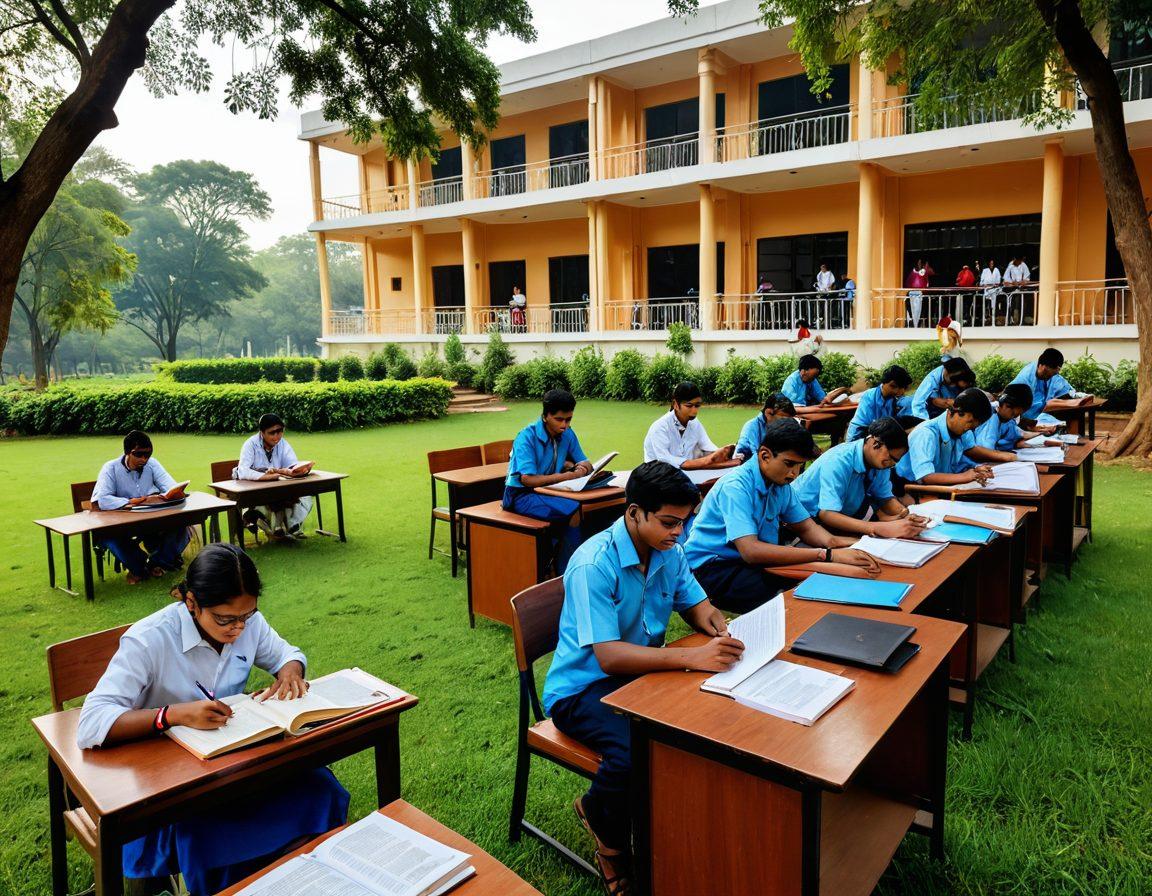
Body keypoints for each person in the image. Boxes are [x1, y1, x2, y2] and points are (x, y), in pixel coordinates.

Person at [76, 543, 350, 895]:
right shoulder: (149, 640)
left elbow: (287, 654)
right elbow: (91, 721)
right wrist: (171, 716)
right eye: (225, 620)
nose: (238, 629)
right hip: (170, 787)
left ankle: (303, 879)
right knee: (210, 829)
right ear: (191, 603)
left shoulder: (248, 623)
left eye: (246, 617)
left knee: (318, 787)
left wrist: (290, 673)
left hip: (232, 765)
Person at [543, 462, 742, 895]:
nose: (679, 532)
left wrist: (717, 625)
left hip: (639, 675)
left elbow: (697, 604)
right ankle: (605, 828)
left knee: (703, 719)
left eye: (685, 521)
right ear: (634, 513)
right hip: (582, 688)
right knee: (636, 751)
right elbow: (610, 657)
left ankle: (675, 830)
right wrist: (690, 659)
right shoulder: (595, 563)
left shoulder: (670, 549)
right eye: (670, 522)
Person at [684, 420, 881, 614]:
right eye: (789, 464)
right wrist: (826, 554)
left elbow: (808, 529)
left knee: (821, 580)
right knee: (789, 600)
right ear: (765, 455)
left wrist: (859, 546)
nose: (794, 474)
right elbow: (751, 551)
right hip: (714, 568)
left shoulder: (780, 486)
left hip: (752, 562)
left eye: (799, 466)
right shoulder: (736, 487)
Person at [504, 389, 593, 573]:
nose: (565, 425)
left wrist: (583, 467)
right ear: (545, 416)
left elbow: (584, 460)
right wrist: (568, 475)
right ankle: (569, 572)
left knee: (591, 508)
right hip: (520, 496)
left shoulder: (568, 434)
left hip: (551, 491)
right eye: (559, 419)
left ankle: (559, 562)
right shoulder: (526, 437)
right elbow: (527, 479)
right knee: (573, 510)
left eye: (568, 419)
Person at [790, 418, 928, 537]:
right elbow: (827, 514)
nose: (891, 464)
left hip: (838, 517)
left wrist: (906, 514)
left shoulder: (880, 462)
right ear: (875, 444)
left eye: (896, 461)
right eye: (891, 458)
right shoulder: (838, 461)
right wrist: (877, 528)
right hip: (802, 520)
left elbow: (884, 497)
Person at [90, 430, 191, 585]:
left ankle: (156, 563)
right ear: (127, 453)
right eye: (139, 454)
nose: (144, 459)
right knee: (110, 537)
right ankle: (140, 567)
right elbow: (102, 499)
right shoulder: (110, 468)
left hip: (151, 519)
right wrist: (130, 501)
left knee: (182, 527)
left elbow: (170, 486)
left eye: (148, 455)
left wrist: (172, 493)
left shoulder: (152, 464)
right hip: (122, 523)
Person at [894, 388, 995, 490]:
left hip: (938, 486)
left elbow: (957, 461)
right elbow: (926, 477)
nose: (970, 428)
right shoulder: (926, 433)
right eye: (970, 421)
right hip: (909, 489)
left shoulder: (962, 431)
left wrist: (975, 469)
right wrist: (964, 476)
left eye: (974, 426)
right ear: (954, 412)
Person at [234, 413, 314, 539]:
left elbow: (291, 464)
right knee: (272, 501)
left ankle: (292, 525)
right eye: (272, 433)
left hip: (279, 488)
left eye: (280, 431)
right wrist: (267, 476)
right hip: (255, 490)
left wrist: (298, 470)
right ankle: (275, 527)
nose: (277, 436)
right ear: (262, 432)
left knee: (305, 494)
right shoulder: (250, 445)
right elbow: (243, 471)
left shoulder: (282, 443)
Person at [643, 381, 737, 470]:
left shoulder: (694, 423)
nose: (694, 411)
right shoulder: (660, 427)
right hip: (657, 475)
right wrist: (705, 461)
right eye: (689, 405)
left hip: (686, 473)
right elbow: (664, 460)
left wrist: (725, 453)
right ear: (676, 404)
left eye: (697, 405)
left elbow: (707, 446)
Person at [960, 383, 1058, 468]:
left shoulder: (1005, 418)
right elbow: (985, 451)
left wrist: (1041, 433)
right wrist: (1009, 456)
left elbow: (1019, 433)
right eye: (1013, 414)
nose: (1014, 417)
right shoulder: (991, 417)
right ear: (1007, 405)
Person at [1009, 348, 1077, 427]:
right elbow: (1011, 410)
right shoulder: (1024, 379)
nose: (1052, 377)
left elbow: (1065, 388)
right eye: (1052, 374)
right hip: (1024, 421)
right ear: (1044, 368)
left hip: (1043, 416)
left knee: (1073, 412)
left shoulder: (1049, 371)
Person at [847, 365, 913, 440]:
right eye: (893, 386)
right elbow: (873, 426)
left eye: (902, 388)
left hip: (879, 433)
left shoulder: (895, 398)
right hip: (859, 434)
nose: (897, 391)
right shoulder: (870, 396)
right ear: (884, 383)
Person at [735, 393, 799, 461]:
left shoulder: (778, 427)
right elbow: (756, 457)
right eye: (783, 419)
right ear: (769, 413)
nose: (787, 424)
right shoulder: (751, 427)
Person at [909, 356, 975, 420]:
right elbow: (918, 404)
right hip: (930, 409)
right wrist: (925, 425)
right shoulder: (931, 380)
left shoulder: (957, 372)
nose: (954, 384)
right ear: (946, 372)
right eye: (953, 381)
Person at [780, 354, 848, 411]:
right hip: (793, 413)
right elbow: (794, 409)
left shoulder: (812, 380)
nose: (814, 379)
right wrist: (817, 408)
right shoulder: (791, 382)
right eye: (813, 376)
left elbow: (822, 397)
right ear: (803, 371)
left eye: (815, 376)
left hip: (808, 409)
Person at [980, 259, 1002, 325]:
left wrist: (996, 284)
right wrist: (985, 284)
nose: (991, 264)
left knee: (995, 306)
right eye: (990, 263)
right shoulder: (985, 270)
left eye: (993, 263)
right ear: (988, 263)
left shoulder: (996, 270)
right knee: (987, 305)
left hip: (995, 290)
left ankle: (995, 319)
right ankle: (987, 319)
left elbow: (998, 280)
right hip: (987, 290)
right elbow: (982, 281)